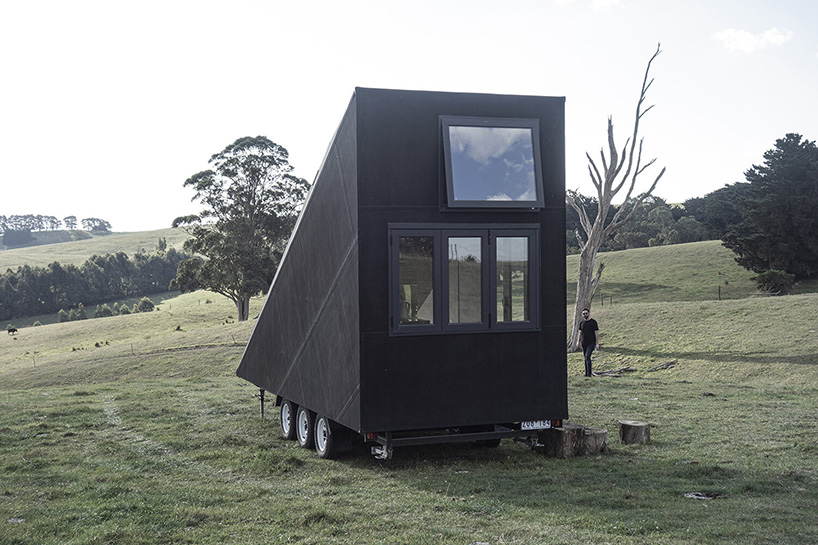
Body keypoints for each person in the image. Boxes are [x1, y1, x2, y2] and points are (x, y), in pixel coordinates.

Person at [577, 308, 599, 377]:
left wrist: (597, 343)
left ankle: (589, 374)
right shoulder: (582, 323)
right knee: (586, 358)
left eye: (586, 313)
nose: (585, 315)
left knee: (587, 356)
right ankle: (586, 373)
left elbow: (596, 333)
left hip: (591, 343)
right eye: (583, 314)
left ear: (588, 313)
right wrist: (578, 342)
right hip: (584, 343)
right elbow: (580, 333)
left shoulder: (593, 322)